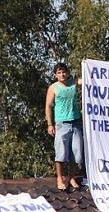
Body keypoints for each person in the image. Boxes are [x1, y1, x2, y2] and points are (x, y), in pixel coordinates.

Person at [45, 63, 84, 191]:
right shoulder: (53, 88)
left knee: (76, 154)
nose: (62, 75)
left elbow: (86, 80)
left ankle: (71, 177)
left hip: (76, 122)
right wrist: (50, 124)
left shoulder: (73, 83)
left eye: (64, 72)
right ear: (56, 75)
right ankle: (60, 178)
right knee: (61, 153)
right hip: (62, 124)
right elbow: (48, 106)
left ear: (67, 73)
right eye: (59, 72)